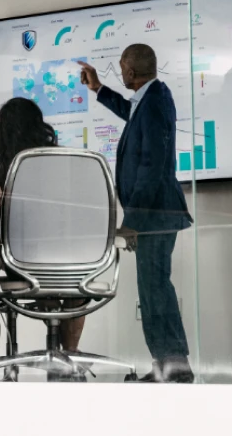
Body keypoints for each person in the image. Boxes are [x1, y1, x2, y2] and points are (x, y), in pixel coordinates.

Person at [78, 45, 194, 383]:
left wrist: (133, 221)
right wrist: (98, 88)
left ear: (130, 71)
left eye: (121, 69)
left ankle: (174, 368)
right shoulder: (150, 97)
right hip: (153, 217)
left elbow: (151, 165)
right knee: (153, 291)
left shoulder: (156, 99)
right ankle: (167, 367)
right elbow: (130, 112)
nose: (121, 73)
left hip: (155, 217)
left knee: (155, 291)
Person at [0, 98, 85, 354]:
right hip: (69, 261)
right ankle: (69, 357)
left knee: (44, 283)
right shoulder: (64, 161)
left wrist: (0, 205)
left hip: (21, 263)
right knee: (69, 283)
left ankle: (61, 348)